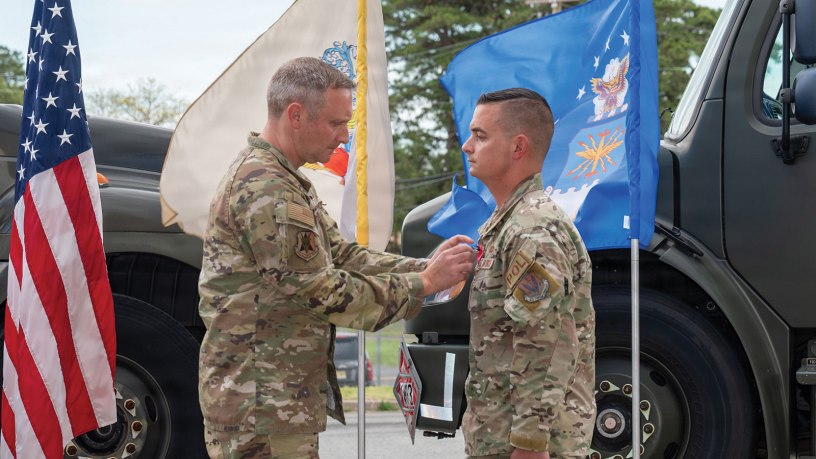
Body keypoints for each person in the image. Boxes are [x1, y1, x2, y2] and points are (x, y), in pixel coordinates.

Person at [197, 56, 475, 459]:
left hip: (273, 400)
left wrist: (426, 267)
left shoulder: (288, 180)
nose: (344, 136)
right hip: (260, 407)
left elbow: (341, 255)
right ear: (295, 114)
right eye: (335, 123)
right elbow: (320, 288)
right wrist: (426, 284)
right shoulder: (267, 189)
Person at [461, 88, 596, 459]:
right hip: (500, 437)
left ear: (518, 147)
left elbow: (544, 342)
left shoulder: (533, 229)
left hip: (527, 447)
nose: (467, 146)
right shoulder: (508, 224)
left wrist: (530, 442)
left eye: (480, 135)